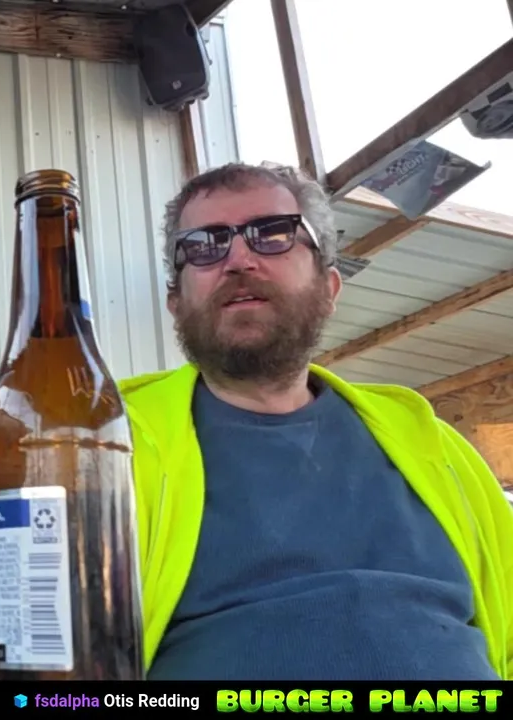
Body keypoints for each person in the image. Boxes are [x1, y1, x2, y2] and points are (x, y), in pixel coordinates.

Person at [119, 162, 512, 681]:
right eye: (205, 244)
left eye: (272, 234)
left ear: (329, 287)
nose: (238, 259)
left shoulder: (438, 448)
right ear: (176, 302)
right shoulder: (108, 449)